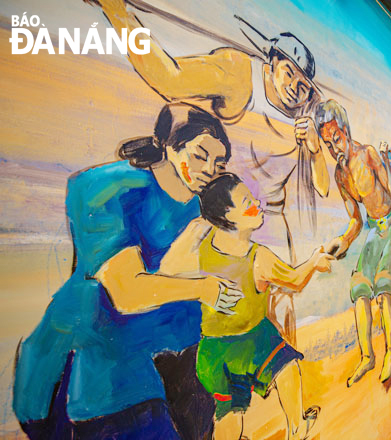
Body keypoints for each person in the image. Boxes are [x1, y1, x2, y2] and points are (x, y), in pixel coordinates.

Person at [90, 0, 330, 345]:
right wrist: (117, 12)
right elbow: (168, 78)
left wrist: (315, 149)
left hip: (269, 226)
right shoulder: (238, 75)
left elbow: (320, 187)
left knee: (279, 315)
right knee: (222, 318)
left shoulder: (299, 123)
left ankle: (279, 393)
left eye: (303, 84)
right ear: (271, 62)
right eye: (289, 72)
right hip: (224, 216)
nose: (295, 86)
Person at [13, 103, 242, 439]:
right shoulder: (111, 189)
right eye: (199, 155)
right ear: (167, 145)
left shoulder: (200, 206)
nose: (210, 169)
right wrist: (205, 288)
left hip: (170, 355)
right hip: (88, 368)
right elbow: (126, 291)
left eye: (218, 162)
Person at [159, 173, 333, 440]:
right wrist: (314, 261)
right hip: (253, 342)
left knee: (231, 410)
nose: (258, 204)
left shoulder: (202, 252)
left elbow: (167, 269)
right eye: (247, 201)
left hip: (213, 354)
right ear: (228, 216)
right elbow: (295, 281)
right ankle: (297, 429)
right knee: (287, 367)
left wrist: (197, 227)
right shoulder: (258, 257)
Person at [315, 100, 391, 387]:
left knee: (382, 285)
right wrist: (340, 244)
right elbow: (355, 220)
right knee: (359, 287)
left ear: (346, 130)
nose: (334, 149)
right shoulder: (341, 175)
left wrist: (385, 161)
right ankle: (368, 356)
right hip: (371, 230)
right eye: (328, 144)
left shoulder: (368, 154)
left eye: (337, 139)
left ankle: (390, 351)